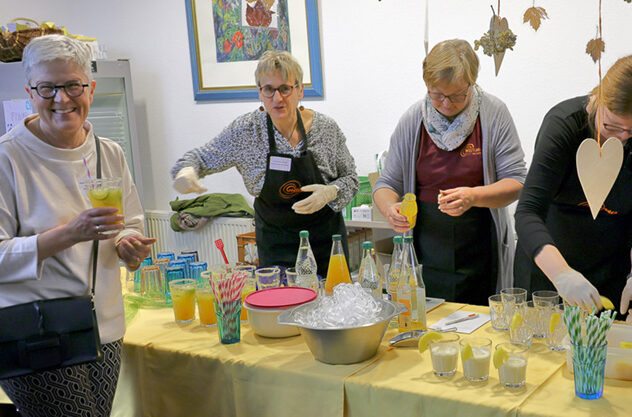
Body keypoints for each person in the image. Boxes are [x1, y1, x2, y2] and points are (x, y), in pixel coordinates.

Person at [0, 34, 154, 416]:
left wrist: (129, 244)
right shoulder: (9, 158)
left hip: (103, 326)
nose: (62, 99)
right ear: (29, 92)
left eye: (72, 86)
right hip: (36, 331)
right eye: (47, 88)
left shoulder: (108, 152)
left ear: (91, 88)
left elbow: (129, 223)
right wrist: (70, 233)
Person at [514, 54, 632, 324]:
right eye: (611, 126)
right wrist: (562, 275)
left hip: (616, 275)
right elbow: (528, 212)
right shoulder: (564, 125)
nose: (622, 138)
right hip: (550, 269)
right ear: (602, 100)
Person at [171, 50, 358, 275]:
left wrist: (331, 191)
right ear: (259, 92)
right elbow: (197, 158)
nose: (277, 99)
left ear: (300, 90)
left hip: (327, 247)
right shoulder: (246, 132)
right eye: (269, 89)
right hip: (276, 247)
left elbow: (351, 178)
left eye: (285, 89)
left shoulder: (326, 130)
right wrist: (187, 172)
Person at [373, 39, 527, 305]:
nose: (445, 104)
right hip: (426, 244)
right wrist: (390, 209)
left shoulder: (493, 114)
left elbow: (517, 181)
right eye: (437, 95)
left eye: (457, 95)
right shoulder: (413, 120)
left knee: (481, 325)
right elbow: (387, 183)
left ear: (472, 82)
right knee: (430, 318)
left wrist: (474, 197)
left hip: (480, 242)